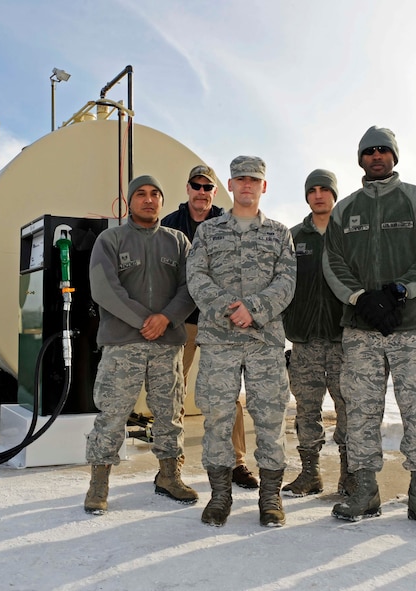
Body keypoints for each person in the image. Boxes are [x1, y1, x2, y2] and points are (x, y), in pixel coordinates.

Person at [324, 126, 416, 529]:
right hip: (361, 330)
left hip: (411, 326)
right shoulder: (345, 209)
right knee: (360, 412)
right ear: (360, 159)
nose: (376, 156)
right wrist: (361, 298)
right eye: (369, 151)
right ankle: (364, 491)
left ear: (394, 156)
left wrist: (400, 291)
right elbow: (333, 263)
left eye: (383, 151)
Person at [187, 155, 296, 527]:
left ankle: (270, 497)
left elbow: (286, 281)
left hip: (264, 340)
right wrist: (227, 309)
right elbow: (197, 276)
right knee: (216, 417)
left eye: (254, 180)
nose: (247, 185)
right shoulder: (208, 232)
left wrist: (254, 309)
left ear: (263, 187)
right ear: (230, 186)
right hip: (220, 340)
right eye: (240, 179)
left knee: (269, 416)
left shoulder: (280, 233)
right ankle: (220, 496)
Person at [84, 174, 198, 515]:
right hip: (123, 345)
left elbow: (190, 287)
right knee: (112, 414)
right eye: (141, 194)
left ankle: (168, 476)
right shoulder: (111, 239)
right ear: (130, 201)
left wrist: (165, 318)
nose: (148, 200)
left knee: (170, 414)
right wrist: (143, 320)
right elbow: (104, 288)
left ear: (162, 201)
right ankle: (98, 484)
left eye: (155, 194)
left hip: (167, 344)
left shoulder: (178, 242)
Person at [161, 164, 259, 490]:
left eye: (207, 187)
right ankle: (170, 466)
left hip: (221, 321)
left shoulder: (228, 224)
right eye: (196, 186)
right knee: (172, 391)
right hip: (182, 321)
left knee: (228, 392)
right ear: (187, 188)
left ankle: (236, 462)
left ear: (215, 192)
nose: (201, 192)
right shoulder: (169, 227)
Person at [282, 169, 349, 497]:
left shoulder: (350, 235)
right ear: (307, 196)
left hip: (344, 340)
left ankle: (349, 474)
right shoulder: (292, 237)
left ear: (334, 194)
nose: (319, 195)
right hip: (304, 339)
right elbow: (281, 286)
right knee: (306, 408)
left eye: (325, 189)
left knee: (348, 407)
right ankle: (310, 473)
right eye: (313, 190)